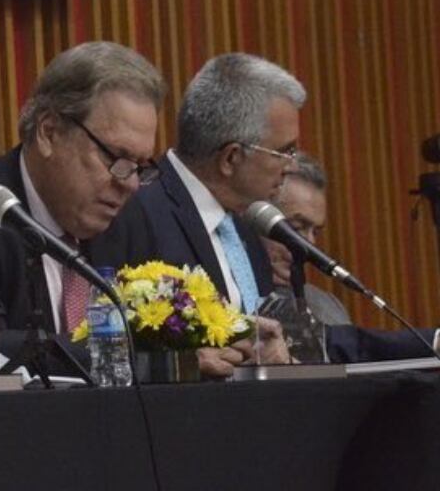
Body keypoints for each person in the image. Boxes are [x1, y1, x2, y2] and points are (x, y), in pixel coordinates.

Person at [97, 53, 429, 362]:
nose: (291, 165)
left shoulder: (245, 227)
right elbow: (104, 344)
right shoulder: (133, 209)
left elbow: (296, 341)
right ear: (231, 157)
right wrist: (183, 362)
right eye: (285, 151)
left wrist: (430, 342)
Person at [262, 153, 352, 326]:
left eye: (315, 232)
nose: (309, 245)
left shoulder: (329, 308)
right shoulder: (217, 298)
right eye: (296, 228)